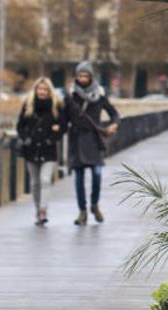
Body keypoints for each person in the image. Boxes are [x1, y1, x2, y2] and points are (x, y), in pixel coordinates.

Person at [66, 62, 119, 226]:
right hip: (76, 139)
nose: (82, 79)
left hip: (94, 140)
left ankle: (94, 205)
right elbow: (62, 118)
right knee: (79, 178)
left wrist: (114, 124)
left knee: (97, 174)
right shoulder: (71, 96)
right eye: (80, 75)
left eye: (85, 75)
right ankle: (82, 211)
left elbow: (114, 113)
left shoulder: (99, 96)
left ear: (90, 77)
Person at [16, 77, 68, 226]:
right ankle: (38, 210)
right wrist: (25, 137)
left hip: (48, 149)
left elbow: (63, 126)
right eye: (40, 89)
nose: (42, 92)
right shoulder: (28, 105)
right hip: (31, 149)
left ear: (49, 91)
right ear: (36, 89)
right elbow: (20, 125)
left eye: (45, 89)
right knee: (35, 183)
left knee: (45, 179)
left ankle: (43, 210)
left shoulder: (56, 106)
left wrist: (53, 137)